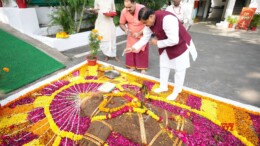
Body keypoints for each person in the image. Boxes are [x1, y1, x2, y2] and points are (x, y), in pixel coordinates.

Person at [124, 7, 197, 100]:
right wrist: (132, 48)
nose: (145, 25)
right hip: (165, 45)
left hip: (180, 45)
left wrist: (157, 43)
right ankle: (163, 86)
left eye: (145, 22)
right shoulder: (149, 24)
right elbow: (145, 38)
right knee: (164, 66)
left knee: (179, 70)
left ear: (151, 16)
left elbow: (174, 40)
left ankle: (176, 91)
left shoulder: (167, 19)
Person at [119, 0, 149, 74]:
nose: (128, 9)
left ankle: (142, 67)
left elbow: (148, 23)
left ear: (134, 3)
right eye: (126, 7)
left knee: (142, 50)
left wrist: (140, 33)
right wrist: (125, 30)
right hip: (131, 34)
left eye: (130, 7)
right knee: (131, 50)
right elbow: (121, 23)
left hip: (142, 32)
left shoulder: (142, 8)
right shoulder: (124, 11)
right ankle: (131, 66)